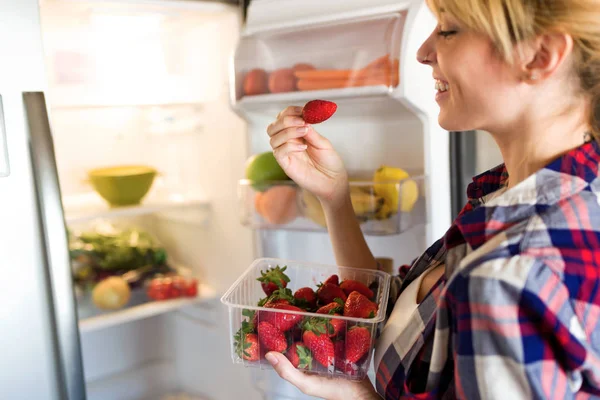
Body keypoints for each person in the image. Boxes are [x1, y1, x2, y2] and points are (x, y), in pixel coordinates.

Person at [263, 0, 600, 398]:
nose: (422, 52)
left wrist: (359, 396)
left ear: (539, 57)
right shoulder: (520, 193)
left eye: (449, 29)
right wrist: (334, 198)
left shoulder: (513, 273)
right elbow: (407, 321)